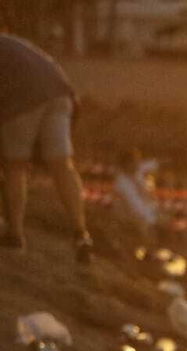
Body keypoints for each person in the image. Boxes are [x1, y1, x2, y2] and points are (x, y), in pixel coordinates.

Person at [0, 23, 92, 261]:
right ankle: (81, 233)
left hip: (23, 101)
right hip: (60, 93)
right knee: (62, 165)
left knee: (14, 167)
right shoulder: (16, 44)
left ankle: (15, 236)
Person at [110, 148, 161, 244]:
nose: (139, 163)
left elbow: (149, 165)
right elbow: (136, 207)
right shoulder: (122, 184)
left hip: (145, 217)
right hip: (132, 222)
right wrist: (154, 218)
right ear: (127, 164)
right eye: (136, 161)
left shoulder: (136, 173)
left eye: (139, 160)